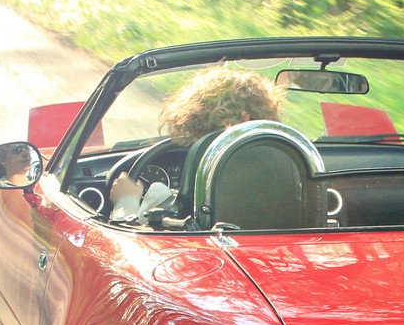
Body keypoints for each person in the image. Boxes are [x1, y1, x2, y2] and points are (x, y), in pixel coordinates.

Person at [110, 67, 284, 222]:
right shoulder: (288, 166)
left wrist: (126, 202)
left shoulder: (159, 196)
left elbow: (131, 245)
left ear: (244, 119)